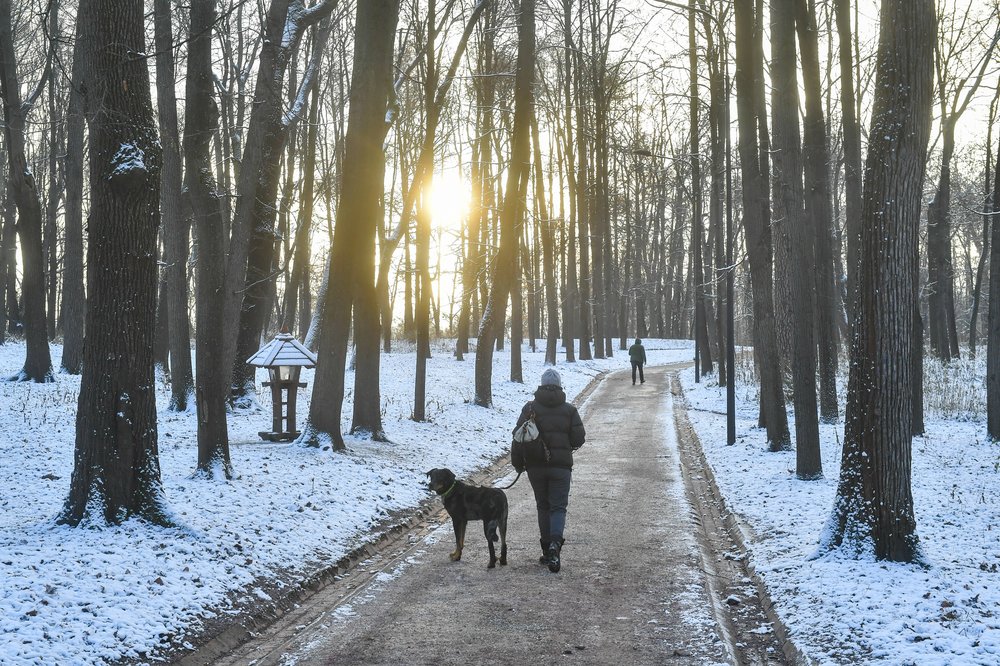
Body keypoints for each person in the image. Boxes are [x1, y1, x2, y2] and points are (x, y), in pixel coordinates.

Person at [512, 368, 585, 573]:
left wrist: (518, 463)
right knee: (558, 508)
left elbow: (518, 437)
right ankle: (555, 545)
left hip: (535, 467)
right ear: (560, 386)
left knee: (543, 506)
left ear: (541, 385)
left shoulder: (529, 408)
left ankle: (546, 551)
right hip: (561, 467)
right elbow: (579, 438)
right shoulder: (569, 410)